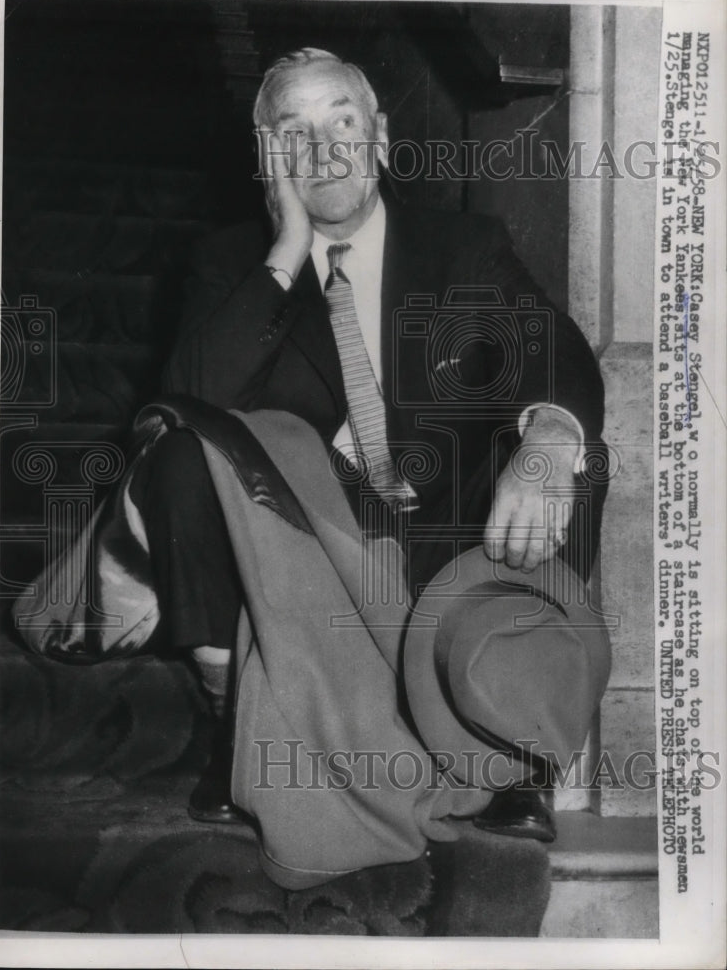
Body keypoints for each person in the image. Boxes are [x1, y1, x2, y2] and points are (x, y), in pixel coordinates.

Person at [127, 48, 607, 842]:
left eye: (342, 122)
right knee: (184, 457)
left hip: (448, 524)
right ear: (268, 156)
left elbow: (547, 340)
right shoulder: (232, 264)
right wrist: (288, 251)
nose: (323, 150)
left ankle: (518, 753)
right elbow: (188, 399)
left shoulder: (463, 244)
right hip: (313, 547)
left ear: (379, 136)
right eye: (295, 132)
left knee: (569, 453)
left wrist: (550, 440)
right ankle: (233, 727)